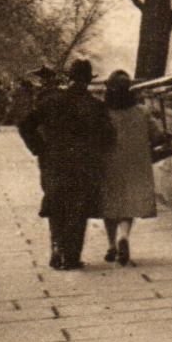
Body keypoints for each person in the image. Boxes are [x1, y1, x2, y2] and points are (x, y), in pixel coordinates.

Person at [19, 59, 114, 270]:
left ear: (69, 78)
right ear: (89, 80)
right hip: (84, 165)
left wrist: (39, 148)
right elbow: (108, 137)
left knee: (56, 205)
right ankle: (71, 256)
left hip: (53, 162)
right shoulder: (96, 106)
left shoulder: (52, 101)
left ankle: (56, 248)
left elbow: (25, 124)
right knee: (78, 210)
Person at [97, 70, 158, 266]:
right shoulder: (142, 112)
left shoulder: (102, 112)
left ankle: (111, 245)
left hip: (107, 164)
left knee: (109, 204)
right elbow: (157, 135)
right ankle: (124, 236)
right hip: (134, 165)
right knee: (127, 203)